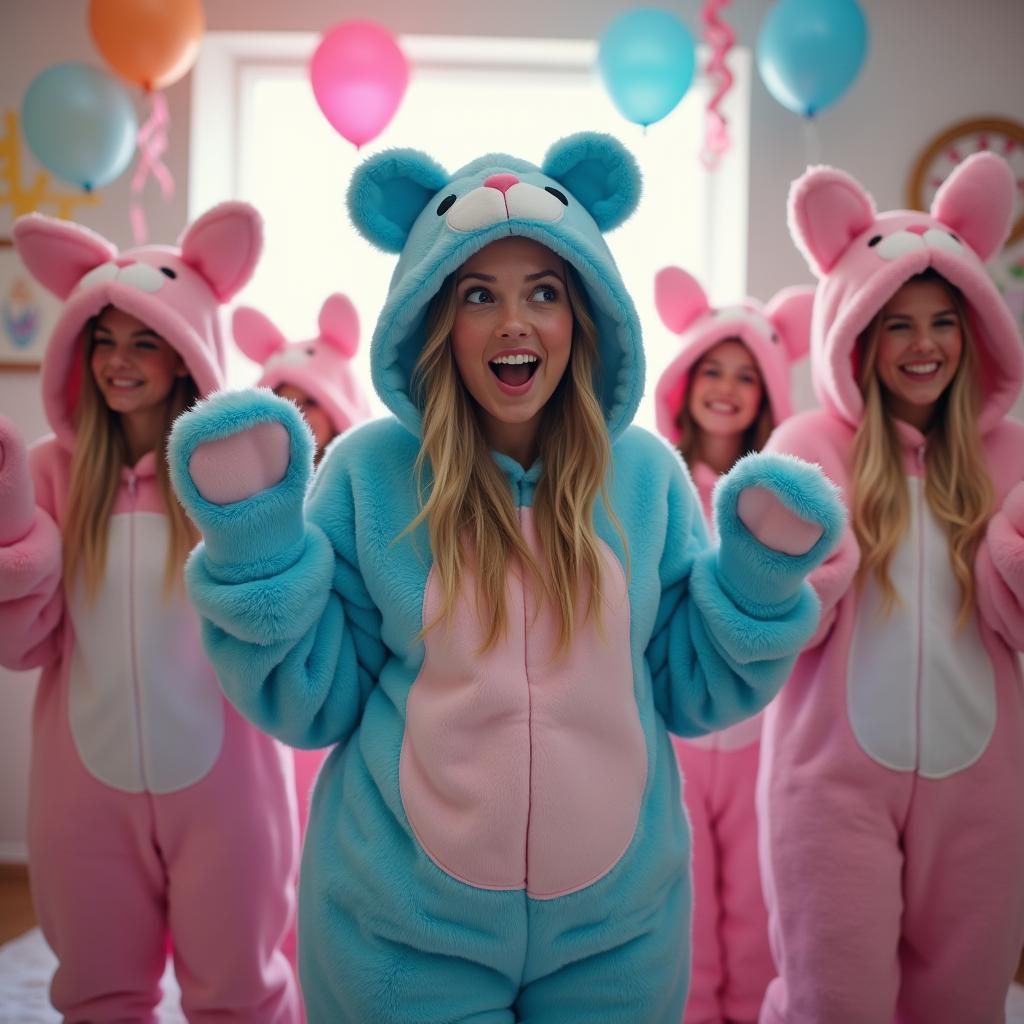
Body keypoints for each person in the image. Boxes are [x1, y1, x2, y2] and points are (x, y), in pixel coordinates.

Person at [166, 133, 843, 1023]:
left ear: (585, 314)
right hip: (401, 929)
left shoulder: (642, 476)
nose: (514, 323)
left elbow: (687, 685)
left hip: (616, 934)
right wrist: (259, 554)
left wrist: (755, 588)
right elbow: (314, 701)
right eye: (479, 294)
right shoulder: (371, 473)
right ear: (435, 317)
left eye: (545, 293)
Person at [0, 205, 300, 1022]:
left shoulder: (224, 478)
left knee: (241, 991)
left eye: (144, 341)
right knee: (99, 993)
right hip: (83, 792)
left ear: (185, 355)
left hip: (227, 787)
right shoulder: (51, 477)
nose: (118, 362)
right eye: (104, 340)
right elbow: (25, 645)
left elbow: (273, 612)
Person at [758, 152, 1024, 1023]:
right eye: (896, 323)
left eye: (943, 321)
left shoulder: (1011, 460)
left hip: (984, 788)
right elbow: (770, 616)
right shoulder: (809, 448)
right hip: (830, 784)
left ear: (975, 331)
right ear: (858, 337)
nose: (923, 346)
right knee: (833, 1002)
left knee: (965, 1005)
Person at [653, 266, 812, 1024]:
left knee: (759, 914)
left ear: (770, 393)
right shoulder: (658, 484)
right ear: (684, 382)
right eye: (711, 368)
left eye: (745, 375)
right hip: (675, 739)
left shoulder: (783, 498)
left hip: (760, 742)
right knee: (684, 913)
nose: (726, 387)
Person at [232, 293, 371, 468]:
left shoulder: (363, 471)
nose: (298, 414)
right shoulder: (263, 482)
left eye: (311, 402)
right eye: (285, 406)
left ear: (340, 405)